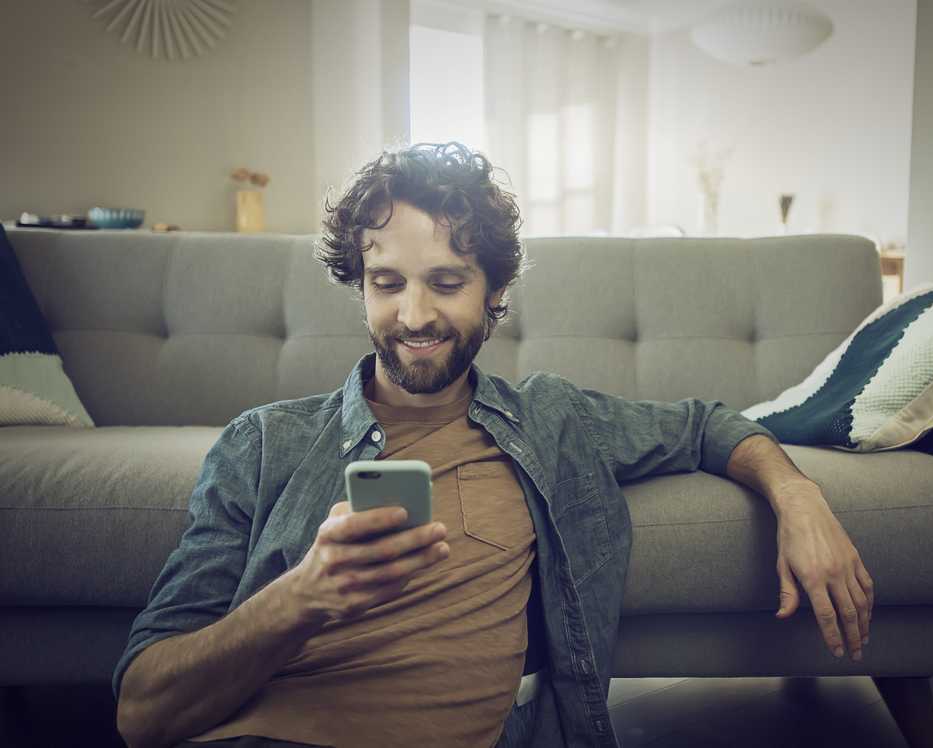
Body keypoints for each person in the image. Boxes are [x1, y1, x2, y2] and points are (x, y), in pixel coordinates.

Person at [113, 142, 874, 748]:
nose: (413, 314)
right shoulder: (263, 444)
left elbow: (709, 424)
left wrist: (799, 497)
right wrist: (301, 598)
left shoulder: (551, 420)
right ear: (360, 285)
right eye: (387, 282)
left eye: (446, 282)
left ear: (495, 293)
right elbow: (142, 713)